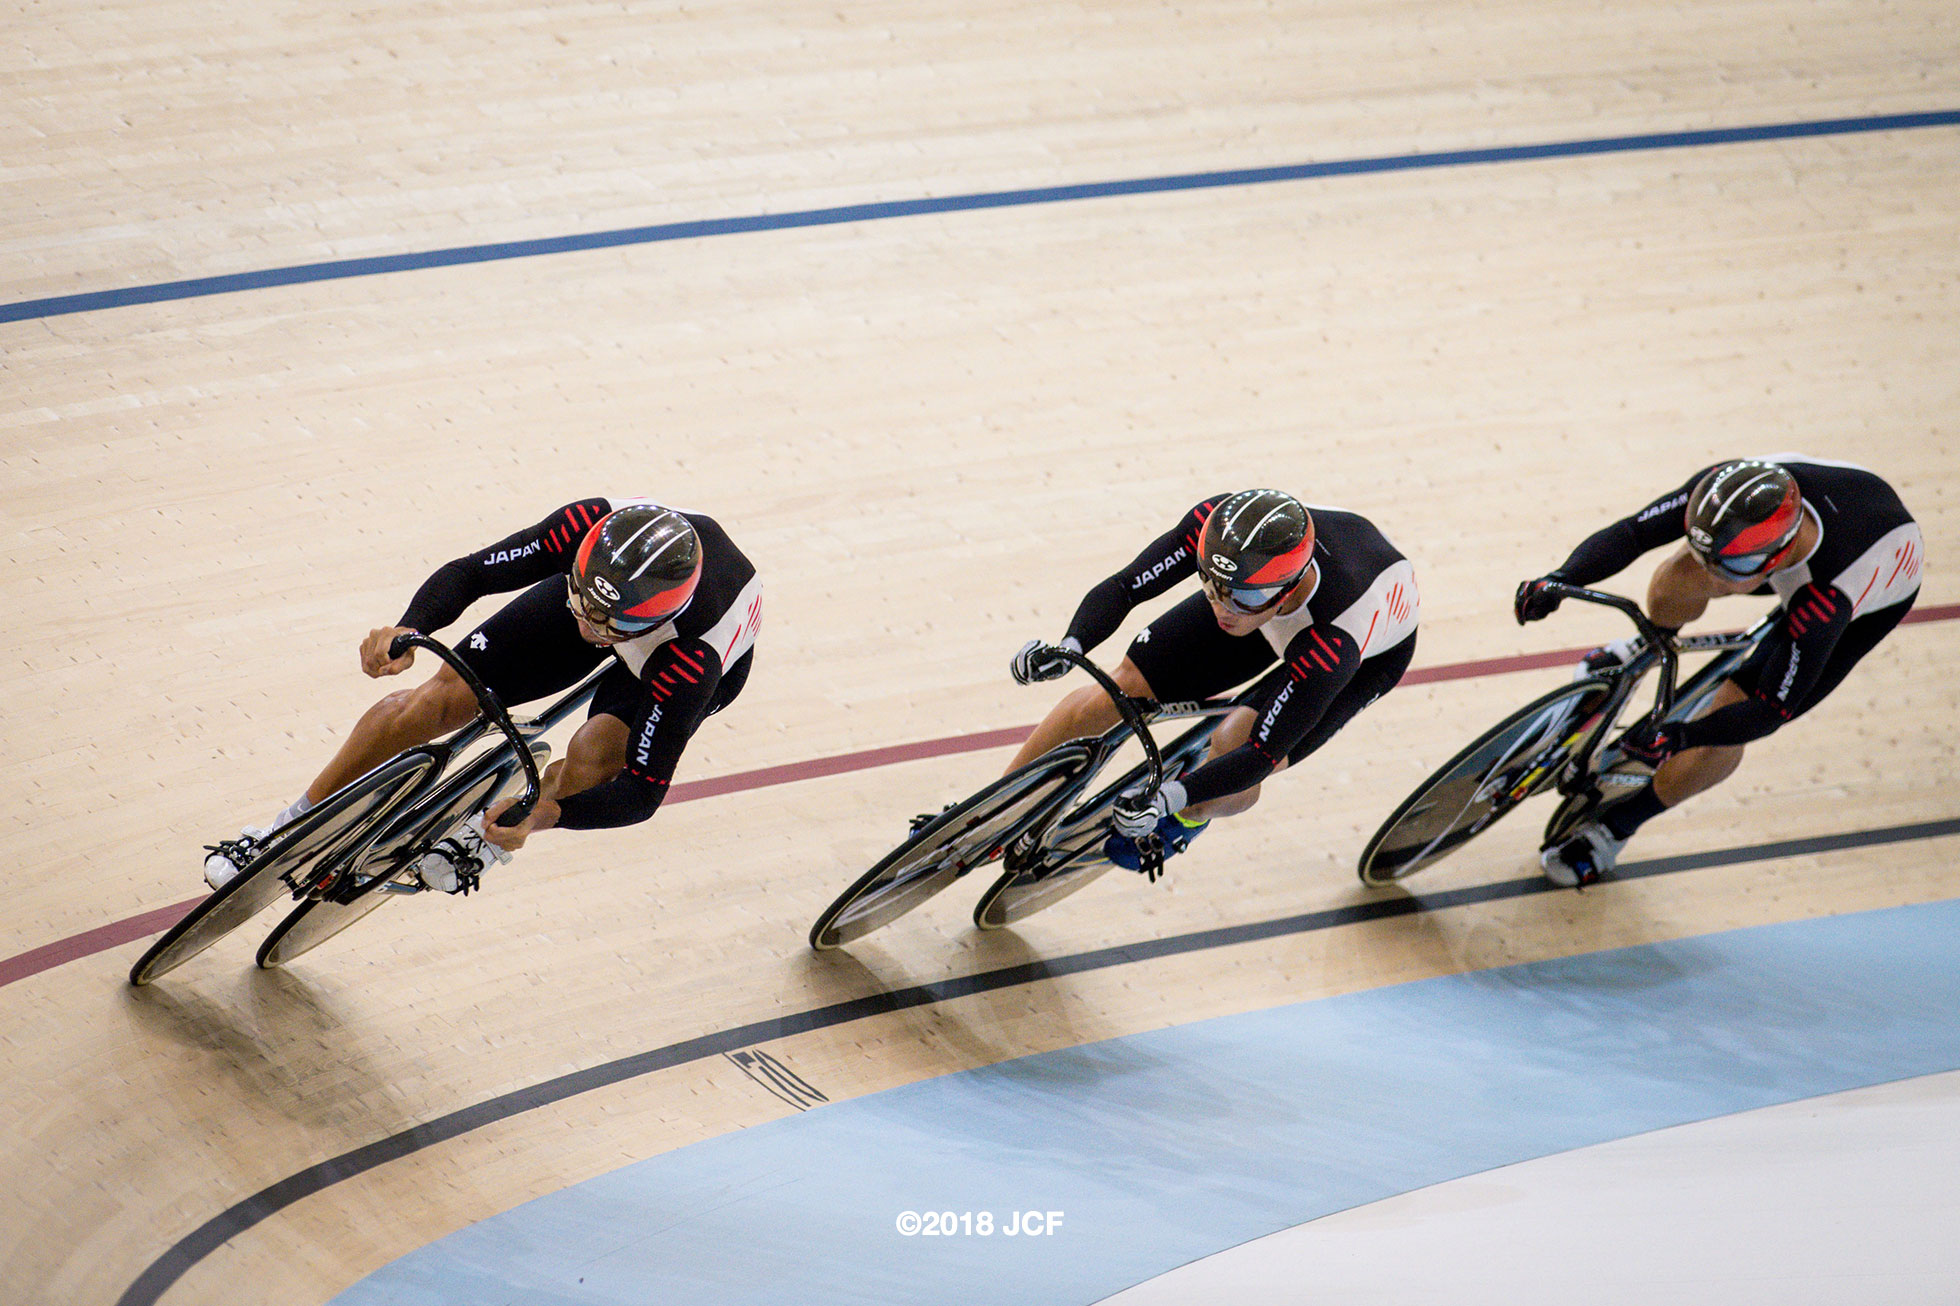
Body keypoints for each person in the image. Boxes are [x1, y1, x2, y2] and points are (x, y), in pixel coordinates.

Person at [203, 497, 762, 893]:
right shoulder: (589, 526)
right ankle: (285, 826)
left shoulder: (690, 661)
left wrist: (545, 815)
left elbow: (643, 793)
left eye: (604, 625)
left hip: (671, 659)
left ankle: (489, 837)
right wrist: (409, 628)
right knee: (432, 703)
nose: (588, 626)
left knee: (599, 747)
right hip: (623, 605)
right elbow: (471, 573)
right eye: (583, 604)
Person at [1515, 455, 1922, 887]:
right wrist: (1559, 578)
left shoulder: (1825, 604)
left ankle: (1615, 828)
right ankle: (1644, 649)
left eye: (1725, 567)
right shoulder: (1724, 494)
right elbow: (1635, 532)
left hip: (1865, 594)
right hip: (1808, 537)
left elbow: (1769, 712)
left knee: (1733, 712)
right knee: (1685, 571)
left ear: (1773, 561)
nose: (1711, 571)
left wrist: (1681, 737)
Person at [1007, 489, 1418, 872]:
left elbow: (1259, 756)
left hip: (1362, 654)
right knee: (1115, 693)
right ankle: (994, 810)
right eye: (1210, 585)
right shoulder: (1219, 532)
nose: (1223, 608)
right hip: (1271, 605)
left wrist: (1172, 799)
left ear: (1289, 588)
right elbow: (1125, 586)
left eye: (1241, 598)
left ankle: (1190, 819)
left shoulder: (1333, 645)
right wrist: (1070, 647)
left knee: (1233, 741)